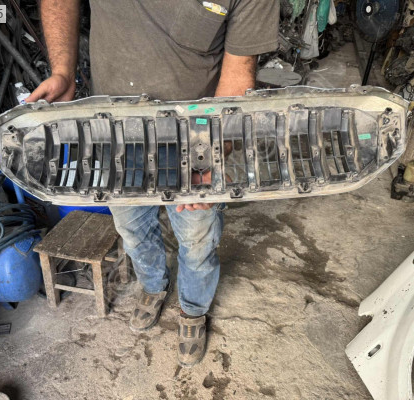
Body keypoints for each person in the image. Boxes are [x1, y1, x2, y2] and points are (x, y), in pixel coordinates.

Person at [27, 0, 279, 367]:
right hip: (115, 132)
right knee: (131, 230)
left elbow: (238, 75)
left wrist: (210, 155)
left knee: (197, 238)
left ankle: (193, 309)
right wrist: (63, 70)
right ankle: (153, 286)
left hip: (193, 137)